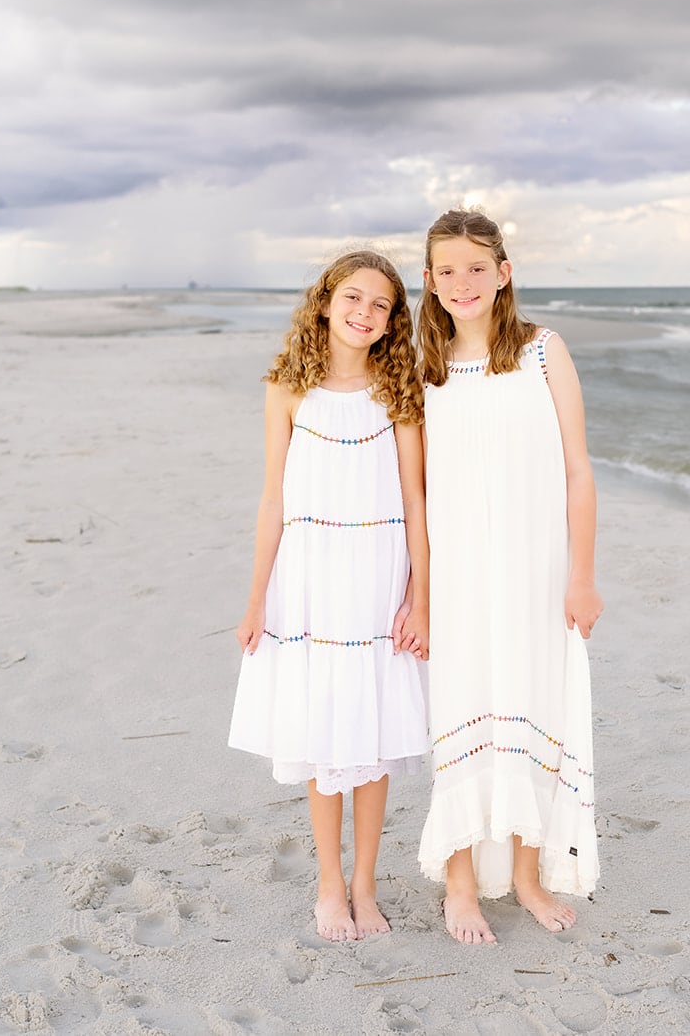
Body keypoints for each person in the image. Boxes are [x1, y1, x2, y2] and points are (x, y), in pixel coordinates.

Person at [228, 250, 430, 942]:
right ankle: (329, 884)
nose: (363, 312)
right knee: (323, 738)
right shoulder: (287, 387)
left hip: (378, 578)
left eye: (380, 304)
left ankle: (367, 885)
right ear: (324, 302)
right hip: (309, 580)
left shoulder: (399, 390)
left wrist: (420, 595)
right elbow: (272, 498)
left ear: (392, 320)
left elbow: (415, 500)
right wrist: (257, 597)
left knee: (372, 738)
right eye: (352, 297)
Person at [415, 208, 602, 945]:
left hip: (538, 563)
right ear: (428, 282)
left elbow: (579, 469)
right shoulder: (423, 365)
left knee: (535, 704)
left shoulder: (542, 350)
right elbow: (416, 492)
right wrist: (419, 592)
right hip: (458, 571)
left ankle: (527, 875)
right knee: (461, 709)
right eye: (447, 270)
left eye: (477, 266)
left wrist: (582, 574)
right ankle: (460, 884)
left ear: (505, 272)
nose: (463, 281)